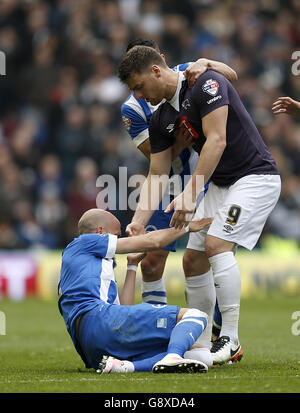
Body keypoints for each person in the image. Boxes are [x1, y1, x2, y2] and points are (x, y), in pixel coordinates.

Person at [118, 46, 281, 365]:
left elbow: (217, 140)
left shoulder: (206, 84)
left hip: (254, 177)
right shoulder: (161, 118)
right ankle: (202, 344)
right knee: (192, 261)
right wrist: (139, 221)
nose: (139, 95)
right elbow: (157, 172)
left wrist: (191, 193)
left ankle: (230, 339)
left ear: (155, 71)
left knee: (216, 244)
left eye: (139, 87)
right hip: (221, 185)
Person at [121, 39, 237, 361]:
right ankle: (159, 334)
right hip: (169, 186)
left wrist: (207, 62)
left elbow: (231, 75)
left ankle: (220, 334)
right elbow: (153, 156)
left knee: (208, 254)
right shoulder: (132, 108)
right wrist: (180, 141)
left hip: (206, 178)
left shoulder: (189, 73)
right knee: (153, 259)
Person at [58, 208, 212, 374]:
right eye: (116, 236)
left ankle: (125, 367)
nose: (119, 240)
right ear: (100, 232)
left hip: (92, 348)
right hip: (99, 319)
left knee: (200, 356)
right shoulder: (85, 241)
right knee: (195, 315)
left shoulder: (90, 269)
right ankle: (173, 356)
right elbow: (153, 242)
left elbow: (123, 309)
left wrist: (132, 264)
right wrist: (187, 228)